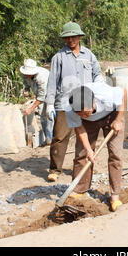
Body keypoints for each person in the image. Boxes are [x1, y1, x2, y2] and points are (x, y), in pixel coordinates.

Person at [45, 22, 104, 182]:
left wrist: (98, 87)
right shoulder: (59, 57)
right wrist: (50, 103)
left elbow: (97, 73)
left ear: (79, 37)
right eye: (67, 37)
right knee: (60, 137)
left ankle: (84, 169)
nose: (71, 40)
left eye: (73, 36)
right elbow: (52, 82)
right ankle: (55, 169)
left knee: (86, 137)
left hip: (85, 103)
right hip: (64, 102)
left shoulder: (89, 55)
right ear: (64, 39)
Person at [65, 83, 127, 212]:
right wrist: (89, 150)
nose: (84, 115)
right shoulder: (70, 109)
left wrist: (119, 119)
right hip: (88, 125)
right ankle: (79, 189)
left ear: (94, 102)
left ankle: (115, 195)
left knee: (115, 154)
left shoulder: (106, 95)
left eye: (87, 112)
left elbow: (124, 93)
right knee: (82, 154)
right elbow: (80, 129)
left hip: (112, 115)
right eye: (81, 114)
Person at [20, 59, 53, 144]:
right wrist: (26, 89)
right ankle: (47, 138)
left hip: (51, 93)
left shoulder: (41, 77)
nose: (26, 75)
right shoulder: (24, 74)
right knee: (42, 116)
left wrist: (31, 109)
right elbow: (25, 82)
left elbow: (42, 96)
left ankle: (51, 137)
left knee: (49, 114)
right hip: (39, 94)